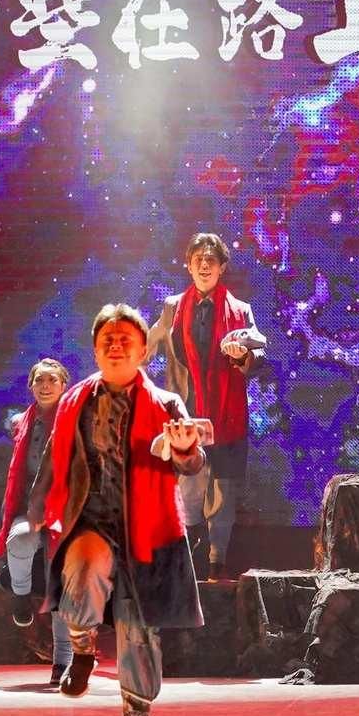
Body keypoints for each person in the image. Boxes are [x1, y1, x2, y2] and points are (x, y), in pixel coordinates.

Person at [39, 303, 207, 716]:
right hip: (90, 520)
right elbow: (52, 464)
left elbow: (191, 463)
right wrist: (35, 513)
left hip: (146, 532)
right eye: (107, 340)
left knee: (138, 631)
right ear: (95, 350)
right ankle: (82, 648)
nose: (115, 347)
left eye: (125, 340)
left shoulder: (166, 404)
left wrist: (185, 448)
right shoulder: (74, 401)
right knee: (81, 571)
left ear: (142, 350)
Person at [142, 233, 269, 581]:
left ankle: (216, 564)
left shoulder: (240, 310)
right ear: (188, 265)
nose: (204, 265)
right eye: (197, 259)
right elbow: (148, 344)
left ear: (222, 267)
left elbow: (259, 351)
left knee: (223, 494)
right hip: (186, 415)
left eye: (211, 260)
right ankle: (187, 557)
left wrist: (243, 356)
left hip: (227, 417)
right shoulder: (172, 307)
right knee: (187, 490)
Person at [0, 358, 74, 686]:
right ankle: (21, 595)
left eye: (52, 380)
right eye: (39, 380)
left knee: (61, 582)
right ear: (31, 386)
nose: (45, 386)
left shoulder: (76, 421)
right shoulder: (20, 423)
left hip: (65, 512)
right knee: (19, 539)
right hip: (29, 508)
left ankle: (63, 661)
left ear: (64, 385)